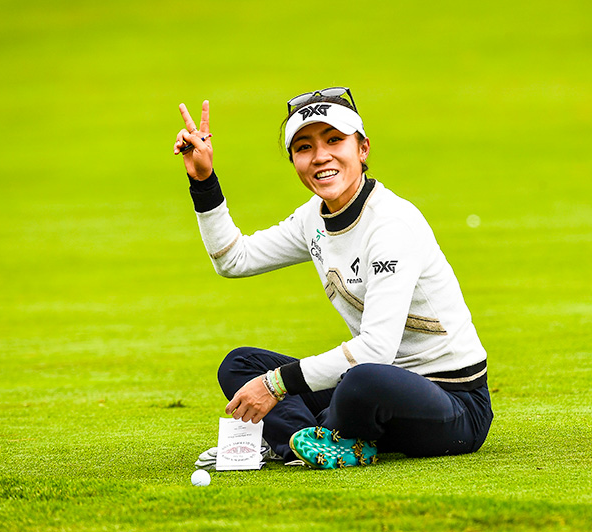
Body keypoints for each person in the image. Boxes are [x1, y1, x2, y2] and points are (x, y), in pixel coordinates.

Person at [174, 87, 493, 469]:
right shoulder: (314, 217)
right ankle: (304, 442)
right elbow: (235, 260)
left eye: (334, 140)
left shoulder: (392, 223)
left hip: (454, 405)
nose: (320, 155)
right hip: (376, 390)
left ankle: (307, 435)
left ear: (363, 149)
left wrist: (275, 384)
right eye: (304, 147)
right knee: (240, 365)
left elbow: (376, 350)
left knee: (362, 380)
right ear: (293, 159)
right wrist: (204, 181)